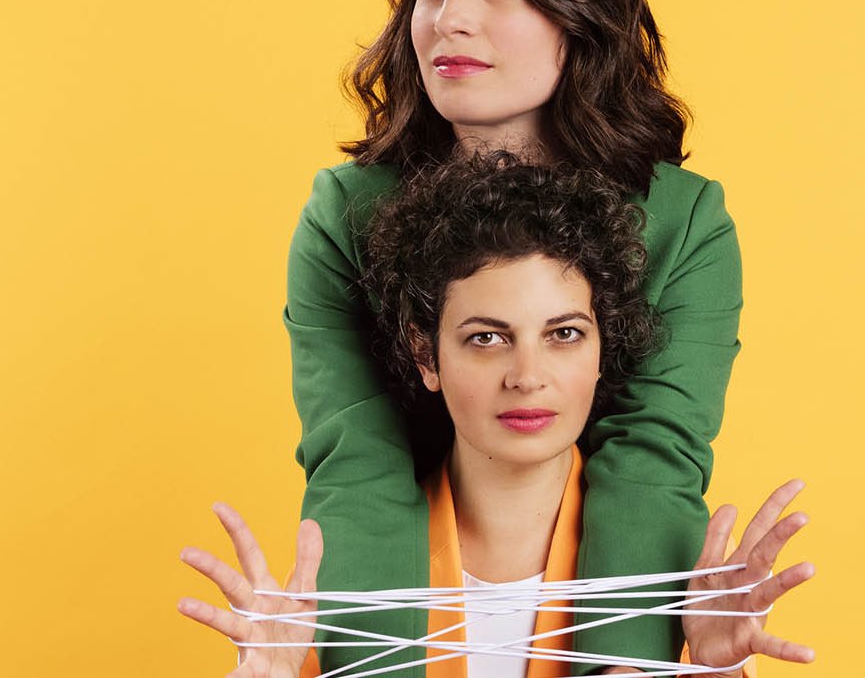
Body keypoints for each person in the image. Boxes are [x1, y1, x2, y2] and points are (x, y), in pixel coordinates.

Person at [285, 0, 744, 673]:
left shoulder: (685, 223)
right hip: (421, 588)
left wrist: (628, 669)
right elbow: (358, 464)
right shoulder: (345, 215)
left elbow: (651, 471)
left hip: (579, 594)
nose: (451, 18)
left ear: (579, 10)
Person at [180, 157, 814, 678]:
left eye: (564, 334)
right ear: (426, 355)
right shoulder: (327, 600)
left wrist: (714, 672)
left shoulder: (683, 595)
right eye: (486, 338)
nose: (527, 375)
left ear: (603, 351)